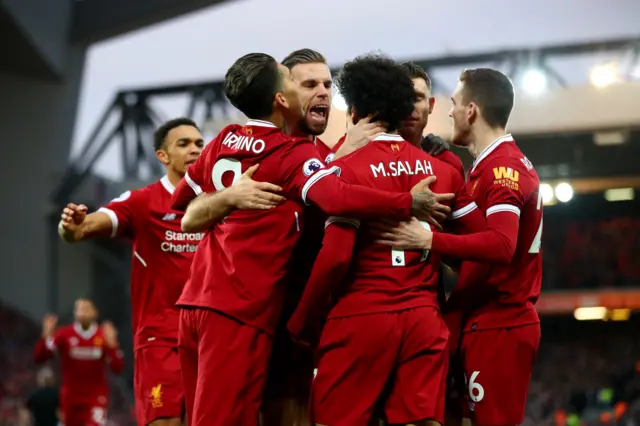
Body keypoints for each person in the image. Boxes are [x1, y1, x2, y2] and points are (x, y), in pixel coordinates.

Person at [170, 52, 453, 426]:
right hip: (251, 313)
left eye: (326, 85)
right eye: (306, 84)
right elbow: (334, 199)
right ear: (282, 98)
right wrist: (405, 201)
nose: (322, 92)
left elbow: (184, 208)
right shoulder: (300, 155)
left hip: (232, 310)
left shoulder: (229, 138)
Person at [286, 53, 487, 426]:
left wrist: (302, 321)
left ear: (357, 108)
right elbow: (485, 246)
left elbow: (335, 257)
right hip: (424, 318)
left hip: (360, 318)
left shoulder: (345, 172)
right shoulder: (443, 171)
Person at [56, 118, 281, 426]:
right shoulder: (141, 201)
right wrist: (72, 226)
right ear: (162, 156)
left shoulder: (225, 200)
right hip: (160, 338)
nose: (194, 149)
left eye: (199, 144)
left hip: (213, 337)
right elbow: (82, 230)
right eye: (183, 143)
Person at [374, 68, 542, 426]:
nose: (448, 112)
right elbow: (478, 251)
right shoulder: (489, 166)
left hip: (502, 322)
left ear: (472, 111)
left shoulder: (501, 170)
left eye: (454, 103)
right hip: (489, 321)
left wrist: (428, 240)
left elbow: (501, 245)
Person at [34, 298, 124, 426]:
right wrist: (45, 335)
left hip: (96, 397)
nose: (82, 312)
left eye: (86, 309)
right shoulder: (63, 334)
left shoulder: (103, 336)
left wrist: (113, 345)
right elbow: (40, 357)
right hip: (70, 398)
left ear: (94, 312)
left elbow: (117, 368)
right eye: (79, 309)